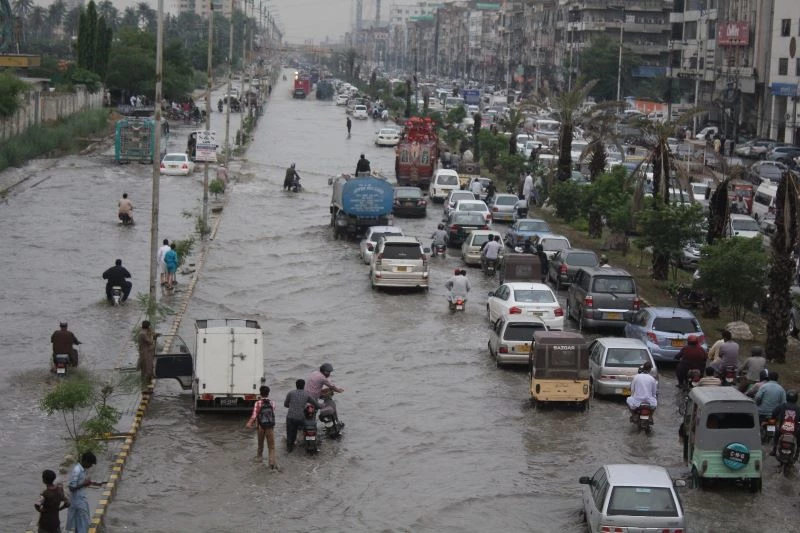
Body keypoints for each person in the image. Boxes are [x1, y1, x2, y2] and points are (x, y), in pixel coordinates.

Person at [66, 452, 102, 533]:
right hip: (77, 502)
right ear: (85, 461)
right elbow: (71, 488)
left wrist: (91, 483)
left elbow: (79, 485)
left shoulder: (82, 470)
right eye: (90, 464)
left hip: (81, 500)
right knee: (82, 523)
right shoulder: (77, 471)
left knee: (80, 523)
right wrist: (84, 484)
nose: (90, 466)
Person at [246, 385, 277, 469]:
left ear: (260, 393)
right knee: (271, 447)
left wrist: (249, 423)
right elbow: (272, 413)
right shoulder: (272, 403)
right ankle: (271, 464)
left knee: (260, 446)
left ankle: (259, 460)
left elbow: (254, 415)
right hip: (270, 427)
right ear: (268, 393)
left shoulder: (258, 403)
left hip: (260, 427)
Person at [284, 379, 318, 453]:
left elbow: (285, 404)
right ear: (304, 386)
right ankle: (308, 443)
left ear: (296, 385)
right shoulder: (307, 394)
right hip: (300, 418)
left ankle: (289, 449)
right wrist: (321, 406)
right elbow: (315, 404)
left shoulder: (290, 393)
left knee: (290, 433)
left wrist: (292, 406)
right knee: (306, 428)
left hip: (290, 417)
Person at [35, 469, 70, 533]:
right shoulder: (59, 491)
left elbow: (37, 505)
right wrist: (59, 509)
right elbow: (68, 503)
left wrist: (41, 510)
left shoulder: (44, 494)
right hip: (55, 523)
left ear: (44, 480)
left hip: (44, 524)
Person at [770, 389, 800, 456]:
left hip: (782, 430)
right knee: (799, 437)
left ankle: (774, 449)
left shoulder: (782, 406)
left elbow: (774, 413)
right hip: (794, 432)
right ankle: (797, 452)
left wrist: (773, 419)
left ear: (787, 397)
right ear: (796, 399)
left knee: (776, 433)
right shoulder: (798, 408)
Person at [136, 320, 157, 394]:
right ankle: (144, 389)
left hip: (147, 354)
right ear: (148, 326)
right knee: (146, 372)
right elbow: (151, 341)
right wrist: (153, 335)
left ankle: (148, 388)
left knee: (149, 371)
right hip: (145, 355)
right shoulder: (143, 334)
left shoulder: (144, 333)